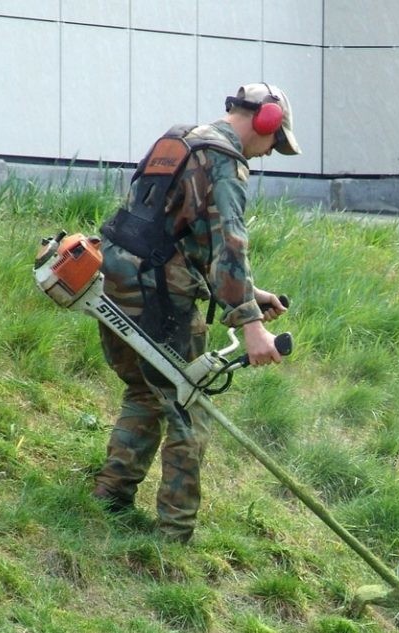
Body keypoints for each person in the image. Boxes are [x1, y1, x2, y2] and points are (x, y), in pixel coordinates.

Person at [91, 82, 301, 543]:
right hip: (159, 299)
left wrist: (250, 294)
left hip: (112, 281)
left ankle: (110, 496)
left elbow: (174, 234)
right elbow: (229, 247)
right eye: (274, 140)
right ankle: (174, 536)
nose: (269, 152)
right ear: (264, 121)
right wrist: (253, 330)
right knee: (190, 405)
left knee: (147, 393)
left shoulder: (178, 139)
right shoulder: (226, 163)